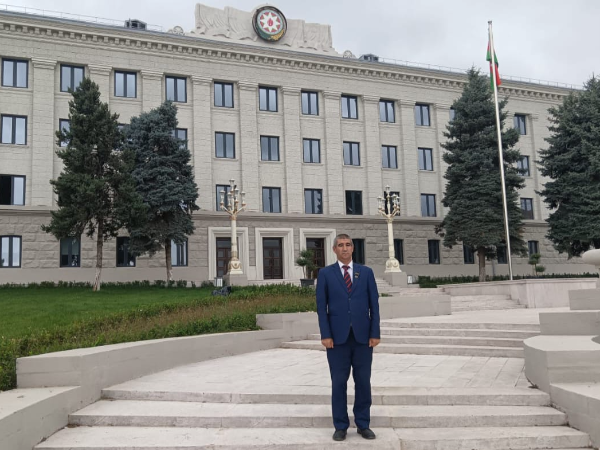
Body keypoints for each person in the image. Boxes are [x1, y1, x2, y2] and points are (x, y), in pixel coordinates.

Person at [316, 233, 380, 441]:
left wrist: (375, 333)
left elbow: (374, 305)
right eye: (340, 245)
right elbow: (321, 308)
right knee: (338, 383)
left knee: (363, 382)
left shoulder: (366, 273)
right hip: (337, 339)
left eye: (348, 245)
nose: (344, 248)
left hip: (363, 338)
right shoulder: (325, 274)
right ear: (334, 249)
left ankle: (363, 424)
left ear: (353, 248)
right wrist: (325, 334)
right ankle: (340, 426)